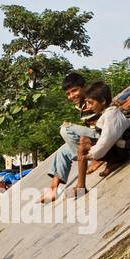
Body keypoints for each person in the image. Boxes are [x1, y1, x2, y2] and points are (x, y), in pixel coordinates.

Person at [40, 72, 101, 203]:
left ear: (84, 87)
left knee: (65, 129)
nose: (72, 96)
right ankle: (52, 189)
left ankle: (96, 157)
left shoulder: (92, 100)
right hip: (94, 137)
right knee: (63, 151)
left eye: (74, 91)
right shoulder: (82, 105)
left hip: (102, 136)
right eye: (68, 94)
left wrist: (70, 127)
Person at [73, 82, 130, 194]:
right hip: (117, 148)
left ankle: (81, 186)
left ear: (103, 101)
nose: (90, 107)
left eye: (91, 103)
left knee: (83, 148)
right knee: (84, 140)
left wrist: (90, 155)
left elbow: (106, 140)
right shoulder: (106, 114)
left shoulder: (111, 115)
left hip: (122, 150)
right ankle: (82, 184)